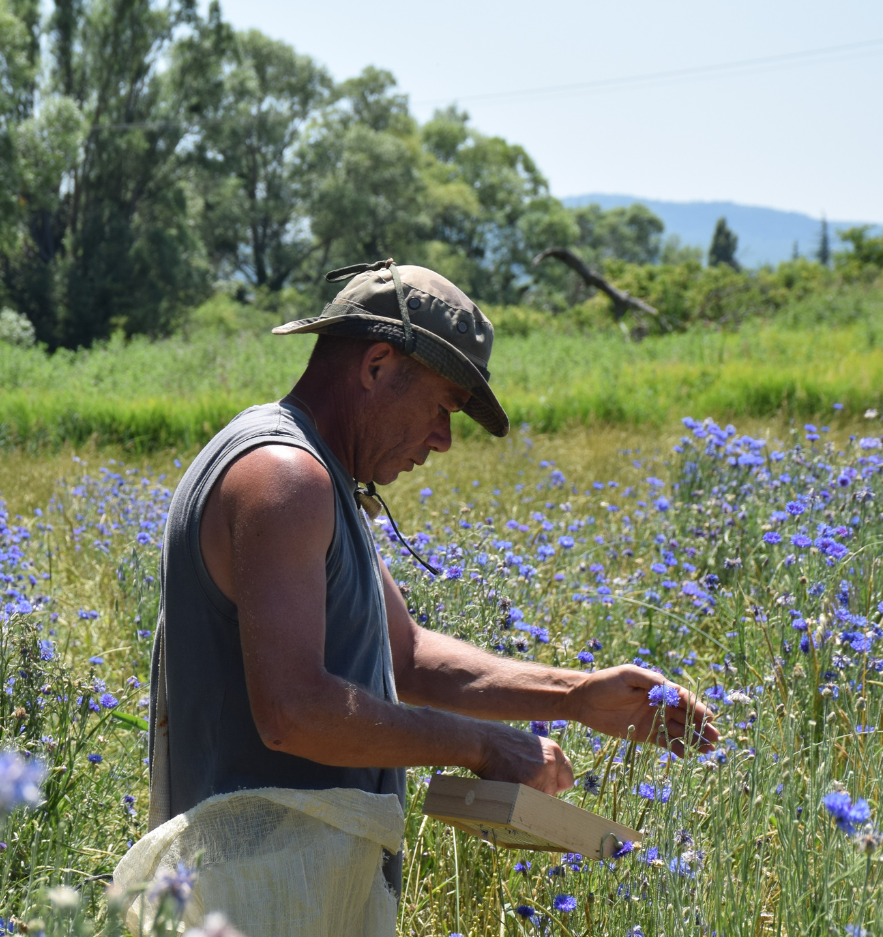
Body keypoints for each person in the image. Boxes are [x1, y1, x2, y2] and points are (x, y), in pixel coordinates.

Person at [145, 260, 718, 900]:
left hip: (295, 880)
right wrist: (482, 747)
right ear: (377, 365)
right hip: (256, 890)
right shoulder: (284, 476)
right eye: (443, 405)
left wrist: (576, 696)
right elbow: (293, 712)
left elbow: (407, 657)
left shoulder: (321, 479)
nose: (443, 439)